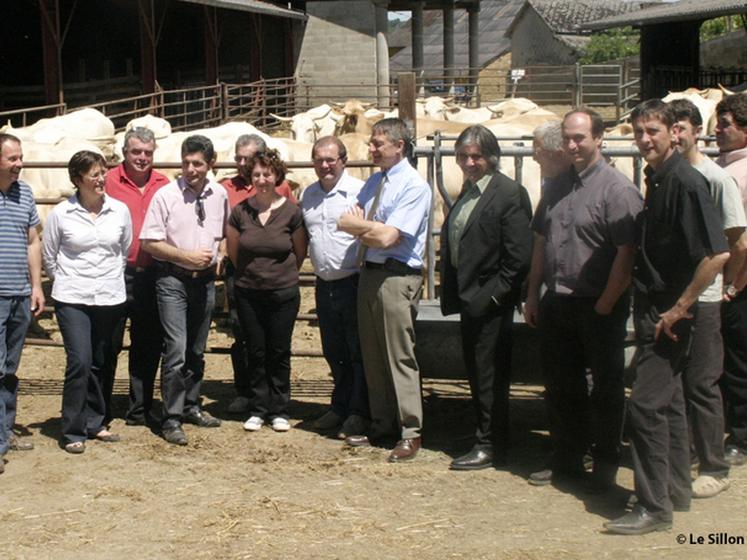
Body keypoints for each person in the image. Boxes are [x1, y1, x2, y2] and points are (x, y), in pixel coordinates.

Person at [605, 100, 729, 535]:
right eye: (639, 132)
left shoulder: (686, 183)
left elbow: (718, 254)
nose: (644, 140)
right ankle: (675, 492)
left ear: (674, 133)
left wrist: (681, 307)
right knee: (671, 405)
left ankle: (653, 508)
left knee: (644, 407)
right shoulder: (658, 179)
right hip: (656, 309)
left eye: (653, 131)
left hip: (669, 315)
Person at [523, 108, 643, 491]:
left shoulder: (617, 190)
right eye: (568, 138)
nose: (573, 145)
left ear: (599, 138)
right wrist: (533, 294)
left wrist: (607, 303)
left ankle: (605, 461)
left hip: (597, 304)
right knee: (561, 385)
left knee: (605, 388)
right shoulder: (557, 186)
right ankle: (567, 459)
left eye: (580, 138)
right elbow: (541, 241)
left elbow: (627, 253)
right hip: (558, 300)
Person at [338, 118, 432, 463]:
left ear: (399, 146)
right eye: (372, 143)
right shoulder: (375, 182)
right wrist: (369, 229)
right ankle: (382, 423)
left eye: (378, 144)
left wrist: (363, 228)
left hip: (396, 276)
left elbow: (388, 238)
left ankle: (411, 430)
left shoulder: (413, 186)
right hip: (371, 273)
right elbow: (346, 221)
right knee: (373, 353)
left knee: (399, 354)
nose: (372, 149)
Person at [440, 125, 532, 470]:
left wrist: (491, 298)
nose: (469, 162)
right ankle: (486, 435)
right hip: (471, 299)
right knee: (479, 372)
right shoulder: (470, 191)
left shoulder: (508, 193)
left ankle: (490, 443)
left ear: (492, 157)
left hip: (489, 303)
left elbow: (518, 256)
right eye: (463, 155)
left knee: (489, 372)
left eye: (476, 156)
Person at [669, 98, 747, 497]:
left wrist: (728, 287)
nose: (677, 135)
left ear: (696, 131)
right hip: (675, 297)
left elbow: (738, 241)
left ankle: (714, 466)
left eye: (683, 128)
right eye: (673, 128)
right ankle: (685, 459)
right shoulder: (666, 176)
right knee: (677, 383)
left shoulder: (717, 179)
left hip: (706, 297)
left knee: (702, 383)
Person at [140, 135, 228, 446]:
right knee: (175, 349)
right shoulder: (165, 196)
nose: (190, 169)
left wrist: (222, 253)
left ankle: (192, 405)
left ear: (211, 164)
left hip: (203, 281)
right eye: (186, 163)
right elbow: (149, 242)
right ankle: (172, 417)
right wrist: (185, 257)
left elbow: (223, 232)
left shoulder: (219, 194)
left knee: (197, 349)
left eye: (198, 164)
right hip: (172, 279)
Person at [43, 151, 132, 454]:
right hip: (73, 297)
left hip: (109, 295)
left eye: (103, 172)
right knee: (79, 361)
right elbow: (49, 255)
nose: (101, 179)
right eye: (94, 174)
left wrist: (108, 278)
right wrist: (67, 280)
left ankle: (96, 421)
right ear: (78, 179)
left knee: (102, 360)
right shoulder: (60, 214)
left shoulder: (119, 211)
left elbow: (123, 249)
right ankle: (72, 428)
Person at [226, 149, 306, 433]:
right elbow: (234, 252)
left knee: (279, 350)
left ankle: (280, 408)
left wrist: (278, 275)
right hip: (249, 292)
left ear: (277, 176)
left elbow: (299, 252)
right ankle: (259, 408)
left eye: (267, 174)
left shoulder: (292, 213)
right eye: (257, 174)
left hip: (283, 292)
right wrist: (252, 275)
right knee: (256, 351)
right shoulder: (241, 212)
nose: (262, 179)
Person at [301, 136, 369, 439]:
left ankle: (358, 411)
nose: (325, 165)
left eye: (331, 159)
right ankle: (339, 406)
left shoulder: (359, 192)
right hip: (323, 282)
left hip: (352, 281)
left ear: (344, 160)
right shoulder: (309, 194)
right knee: (333, 349)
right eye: (319, 159)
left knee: (357, 349)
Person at [105, 127, 170, 427]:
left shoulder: (164, 184)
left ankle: (139, 408)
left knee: (148, 342)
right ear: (124, 153)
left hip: (152, 274)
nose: (142, 158)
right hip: (114, 274)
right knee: (108, 342)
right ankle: (100, 407)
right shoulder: (106, 181)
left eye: (147, 152)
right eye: (136, 152)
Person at [0, 134, 44, 472]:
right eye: (12, 158)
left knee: (10, 369)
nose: (19, 164)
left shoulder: (25, 192)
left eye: (20, 157)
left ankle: (5, 430)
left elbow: (32, 241)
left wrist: (36, 286)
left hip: (18, 294)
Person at [715, 93, 747, 466]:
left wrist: (736, 284)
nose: (719, 131)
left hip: (736, 284)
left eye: (726, 126)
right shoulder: (723, 165)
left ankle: (741, 436)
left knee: (739, 362)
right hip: (724, 280)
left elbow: (744, 241)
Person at [532, 120, 568, 194]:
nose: (534, 158)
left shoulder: (575, 190)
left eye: (537, 152)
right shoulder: (550, 182)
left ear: (558, 154)